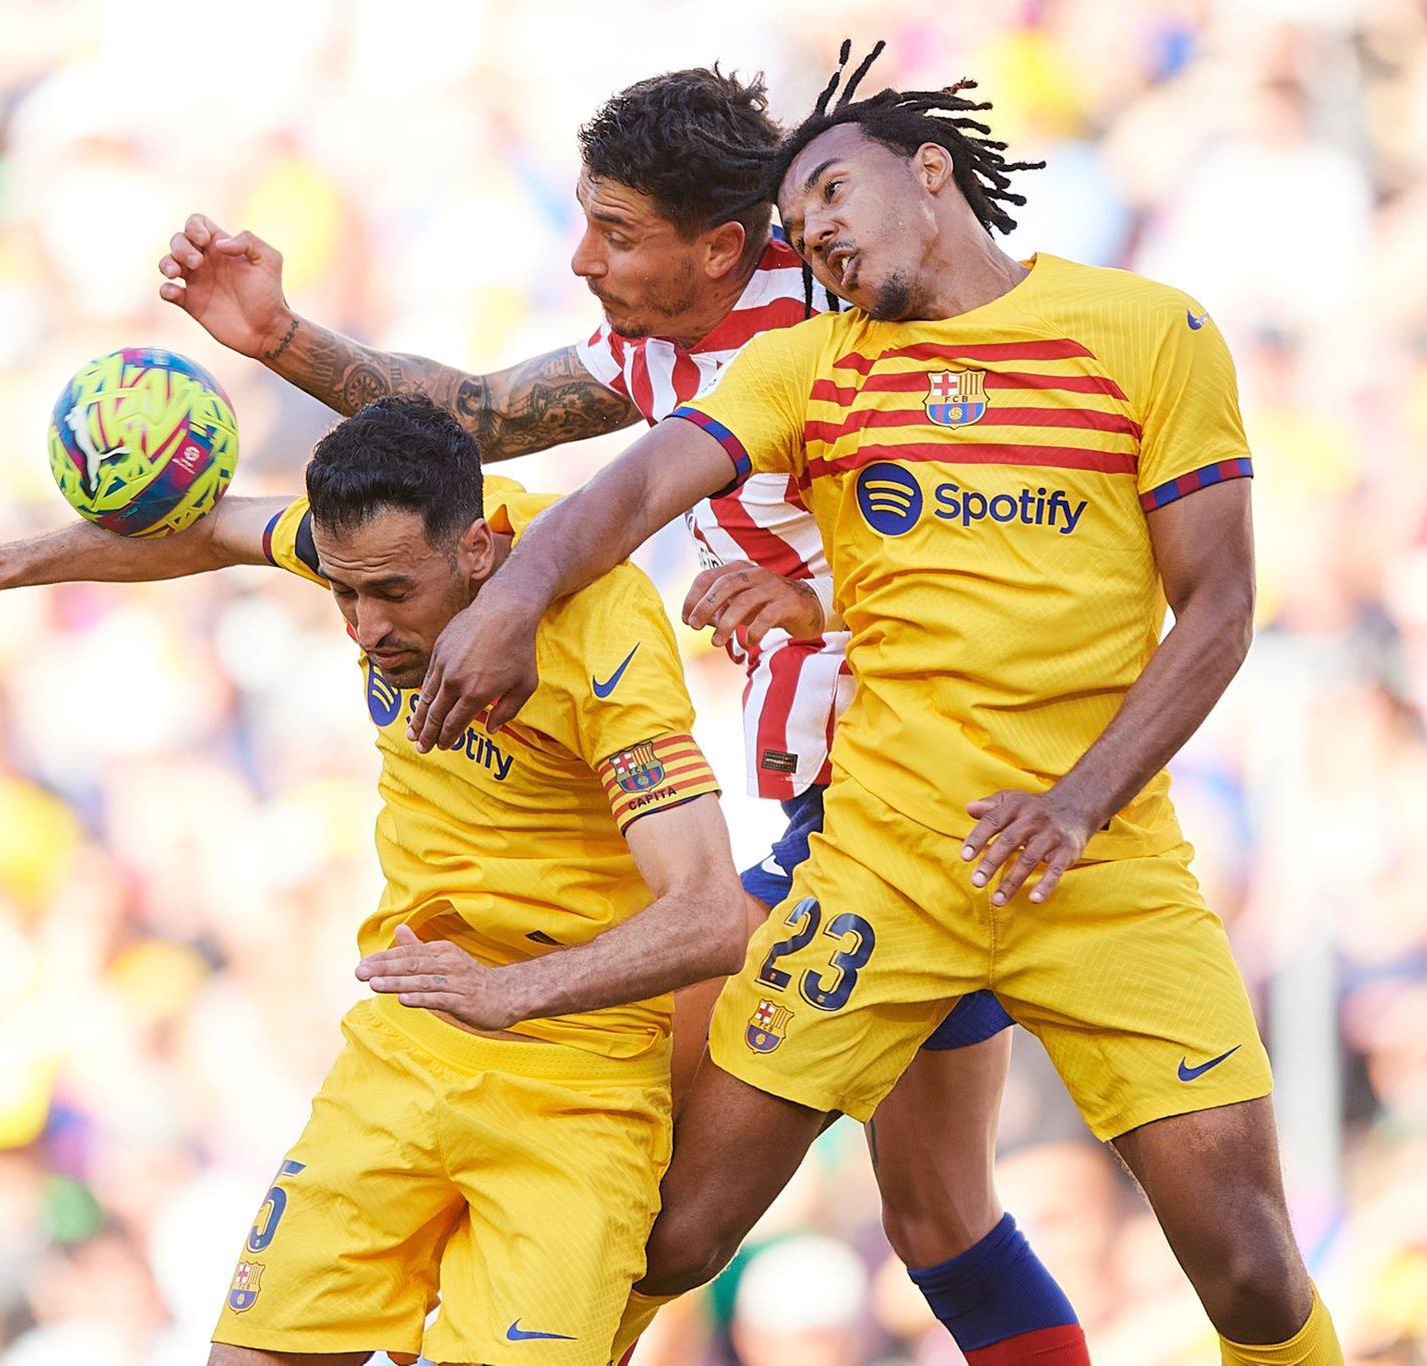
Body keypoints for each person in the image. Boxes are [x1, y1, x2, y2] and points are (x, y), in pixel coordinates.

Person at [411, 42, 1344, 1366]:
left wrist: (1078, 805)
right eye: (802, 228)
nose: (824, 238)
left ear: (931, 166)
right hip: (881, 868)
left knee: (1248, 1269)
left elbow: (1222, 609)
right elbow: (627, 491)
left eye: (836, 198)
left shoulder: (1148, 331)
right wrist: (510, 601)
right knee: (685, 1236)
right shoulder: (813, 365)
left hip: (1102, 864)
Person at [157, 66, 1083, 1360]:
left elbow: (1015, 504)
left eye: (616, 230)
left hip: (907, 808)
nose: (581, 255)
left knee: (674, 1227)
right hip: (852, 801)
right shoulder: (660, 337)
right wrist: (281, 337)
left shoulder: (856, 302)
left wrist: (823, 608)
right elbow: (471, 414)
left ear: (719, 247)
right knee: (937, 1213)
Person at [0, 396, 752, 1366]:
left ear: (477, 550)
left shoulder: (603, 632)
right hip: (407, 1044)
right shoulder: (371, 544)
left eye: (390, 592)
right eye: (344, 593)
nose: (362, 627)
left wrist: (508, 990)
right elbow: (210, 533)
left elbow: (706, 917)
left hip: (576, 1082)